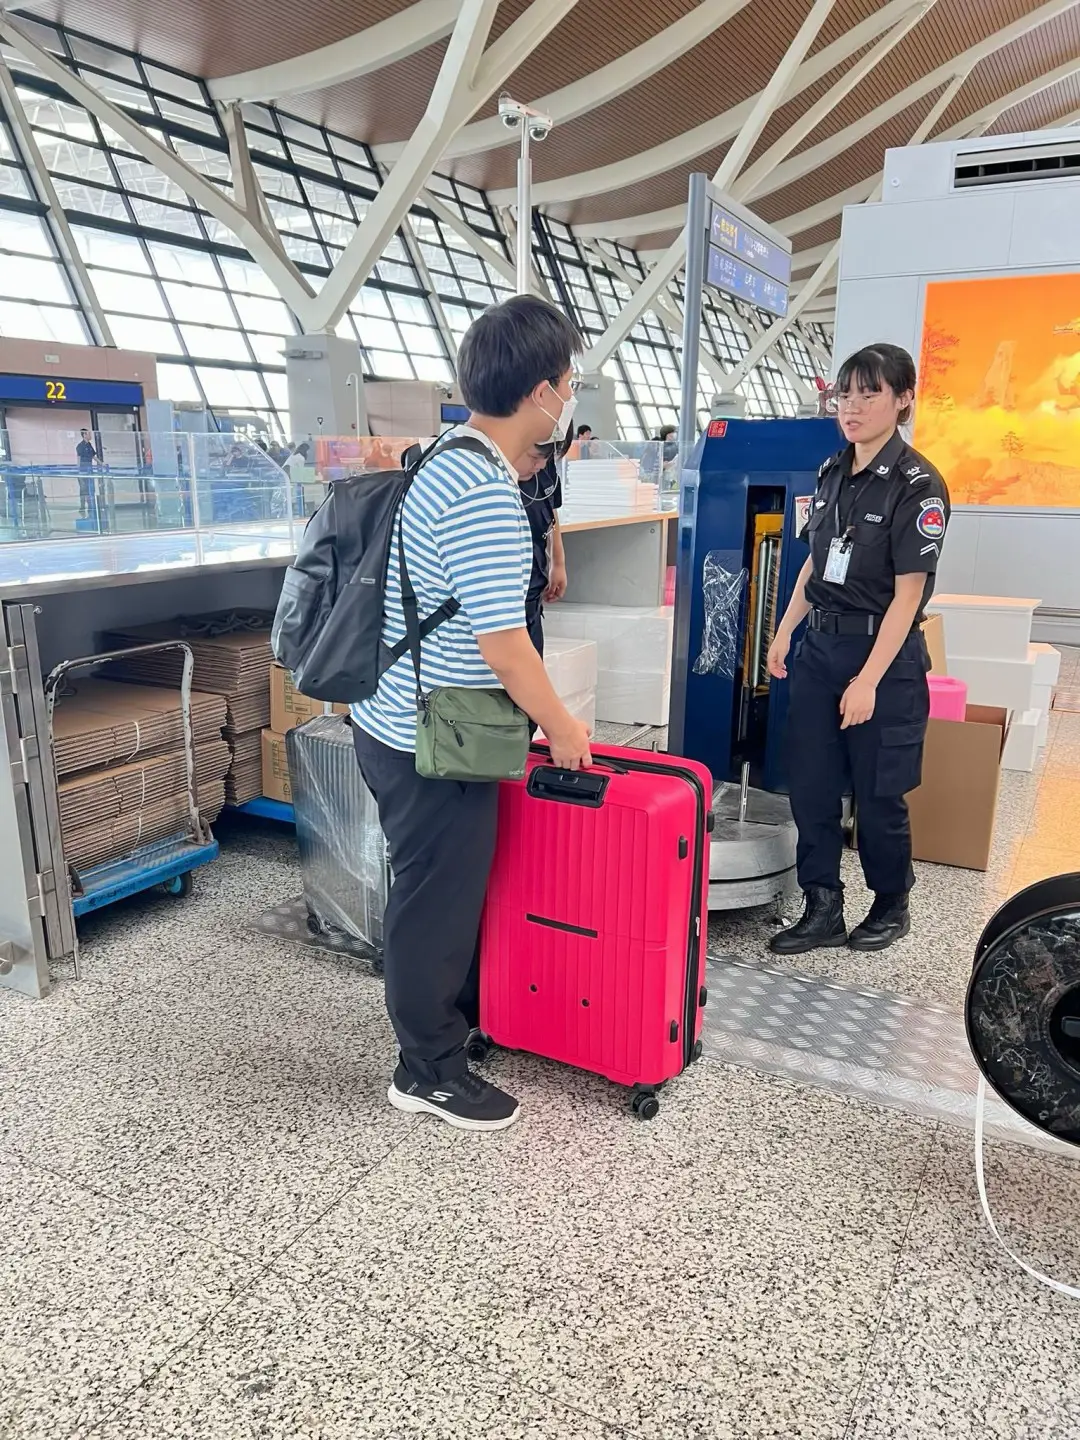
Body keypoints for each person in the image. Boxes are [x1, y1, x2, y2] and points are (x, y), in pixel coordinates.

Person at [351, 294, 592, 1133]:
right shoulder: (483, 490)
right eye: (567, 382)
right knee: (436, 898)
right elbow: (503, 643)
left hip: (405, 716)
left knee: (442, 888)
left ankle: (449, 1030)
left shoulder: (448, 456)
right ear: (540, 392)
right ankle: (427, 1070)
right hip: (435, 734)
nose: (570, 396)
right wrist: (563, 724)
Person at [766, 343, 950, 956]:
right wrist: (786, 628)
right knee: (812, 785)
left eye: (870, 393)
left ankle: (891, 901)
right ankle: (822, 904)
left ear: (903, 399)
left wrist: (868, 680)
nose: (853, 406)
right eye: (845, 393)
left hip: (885, 660)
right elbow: (816, 562)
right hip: (820, 651)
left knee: (877, 791)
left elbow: (908, 597)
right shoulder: (830, 472)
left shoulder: (918, 486)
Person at [515, 432, 569, 658]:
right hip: (509, 602)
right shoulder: (494, 480)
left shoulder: (544, 465)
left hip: (533, 594)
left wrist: (558, 562)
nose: (541, 464)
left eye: (549, 457)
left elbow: (551, 513)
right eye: (535, 457)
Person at [75, 428, 99, 519]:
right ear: (84, 435)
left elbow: (93, 456)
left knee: (90, 489)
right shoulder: (80, 446)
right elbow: (79, 458)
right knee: (83, 490)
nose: (90, 435)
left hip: (90, 471)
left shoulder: (89, 445)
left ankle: (90, 507)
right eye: (88, 434)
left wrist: (101, 464)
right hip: (83, 471)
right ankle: (82, 507)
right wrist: (79, 471)